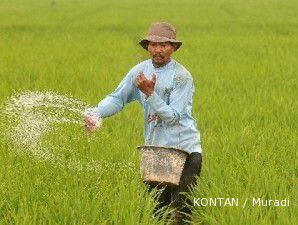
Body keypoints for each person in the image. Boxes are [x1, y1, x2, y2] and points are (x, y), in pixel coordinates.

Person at [84, 22, 202, 224]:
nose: (158, 50)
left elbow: (173, 116)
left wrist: (149, 93)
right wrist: (96, 113)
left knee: (182, 212)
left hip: (185, 150)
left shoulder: (182, 76)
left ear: (173, 48)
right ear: (147, 46)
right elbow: (117, 98)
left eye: (164, 45)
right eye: (154, 44)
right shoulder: (139, 72)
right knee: (159, 212)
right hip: (156, 150)